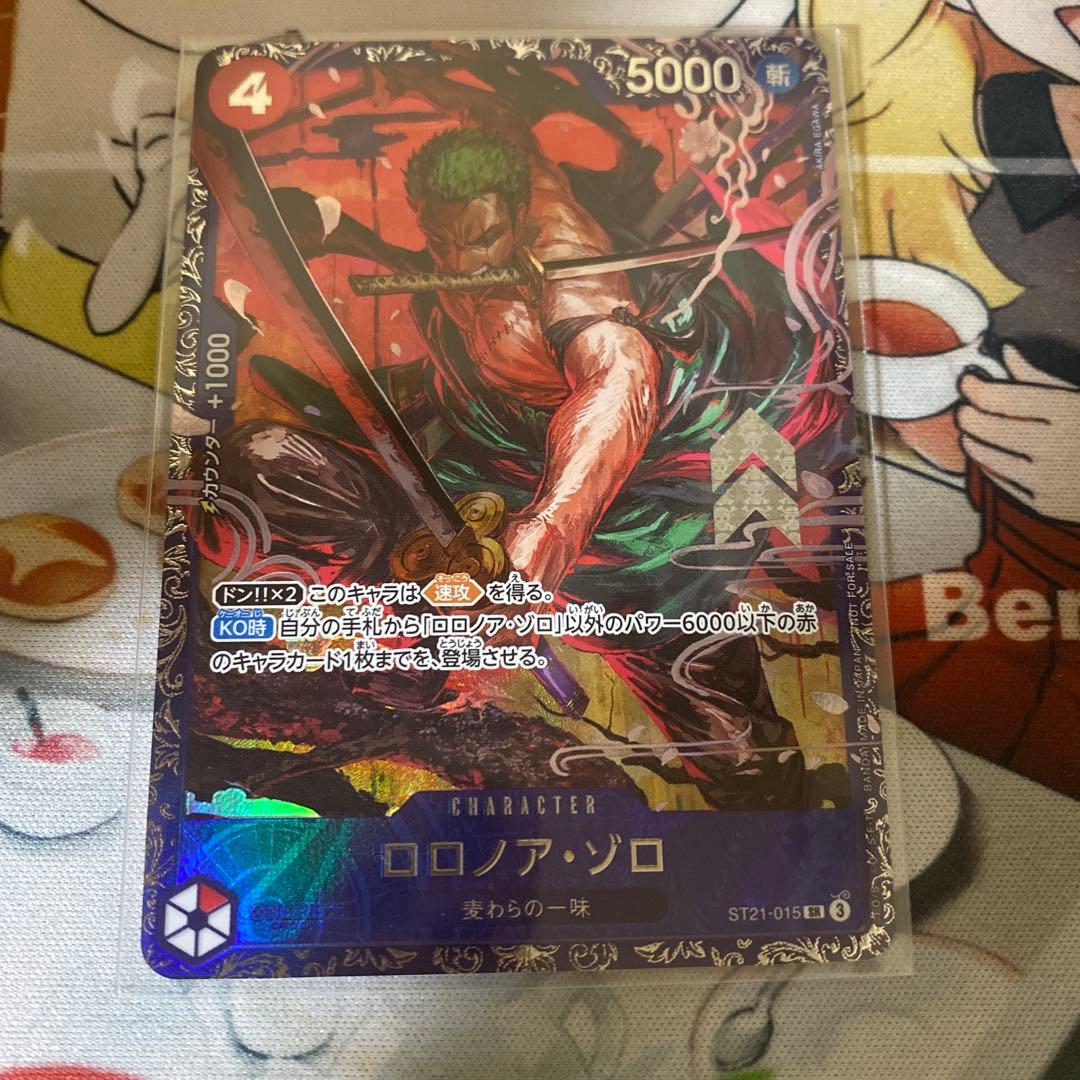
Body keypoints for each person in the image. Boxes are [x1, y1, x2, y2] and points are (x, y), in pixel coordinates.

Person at [200, 66, 849, 810]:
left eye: (481, 239)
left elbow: (618, 382)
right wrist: (405, 77)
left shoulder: (571, 281)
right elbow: (494, 112)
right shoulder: (510, 178)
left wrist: (550, 526)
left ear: (517, 216)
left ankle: (774, 816)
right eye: (443, 242)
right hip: (473, 466)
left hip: (629, 519)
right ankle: (415, 643)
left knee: (742, 761)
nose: (461, 263)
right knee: (263, 463)